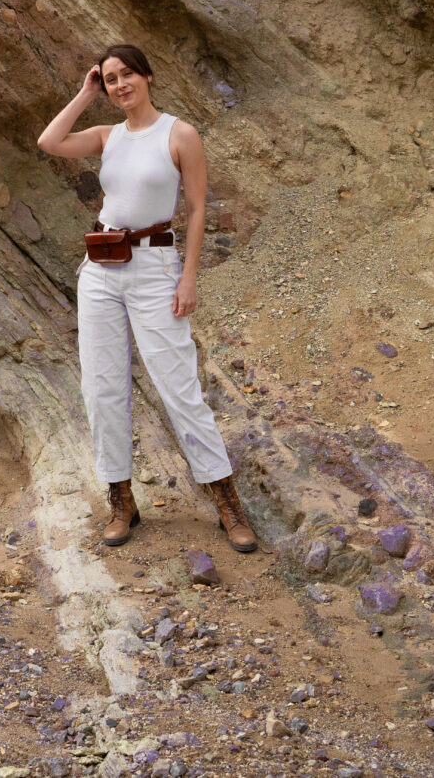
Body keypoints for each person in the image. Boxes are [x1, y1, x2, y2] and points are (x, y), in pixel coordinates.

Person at [37, 44, 257, 553]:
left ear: (148, 76)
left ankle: (226, 503)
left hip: (157, 268)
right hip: (100, 270)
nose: (120, 85)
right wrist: (84, 91)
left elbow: (199, 209)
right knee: (102, 386)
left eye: (127, 74)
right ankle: (121, 501)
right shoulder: (106, 135)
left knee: (179, 385)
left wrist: (189, 278)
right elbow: (50, 141)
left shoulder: (179, 134)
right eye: (110, 79)